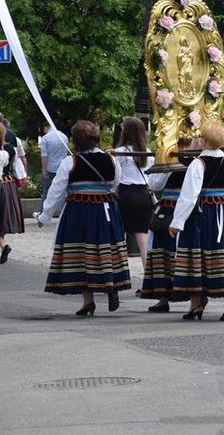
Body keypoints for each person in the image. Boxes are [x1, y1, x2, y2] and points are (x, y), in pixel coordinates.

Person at [37, 120, 129, 315]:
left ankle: (89, 300)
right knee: (104, 248)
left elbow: (56, 190)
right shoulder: (110, 159)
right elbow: (115, 183)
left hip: (79, 211)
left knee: (82, 254)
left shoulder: (70, 161)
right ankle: (109, 285)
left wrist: (45, 215)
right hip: (105, 210)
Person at [169, 121, 224, 321]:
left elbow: (189, 195)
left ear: (203, 140)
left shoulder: (198, 163)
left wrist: (177, 222)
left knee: (197, 253)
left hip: (204, 212)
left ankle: (195, 304)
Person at [140, 137, 192, 313]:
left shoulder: (193, 159)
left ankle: (187, 296)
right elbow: (154, 184)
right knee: (165, 252)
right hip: (174, 209)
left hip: (178, 208)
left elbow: (153, 184)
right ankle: (166, 296)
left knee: (174, 251)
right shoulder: (191, 157)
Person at [111, 117, 156, 271]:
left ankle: (117, 275)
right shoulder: (147, 152)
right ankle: (148, 277)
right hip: (143, 194)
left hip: (125, 194)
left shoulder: (119, 152)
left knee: (117, 236)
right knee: (143, 237)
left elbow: (115, 177)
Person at [0, 121, 26, 263]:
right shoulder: (12, 149)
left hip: (2, 184)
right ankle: (3, 245)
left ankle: (3, 245)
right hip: (8, 184)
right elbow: (18, 168)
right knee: (2, 216)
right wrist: (20, 182)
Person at [39, 122, 69, 203]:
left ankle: (43, 214)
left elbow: (44, 156)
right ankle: (63, 213)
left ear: (46, 128)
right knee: (63, 192)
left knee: (46, 192)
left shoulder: (45, 138)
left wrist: (44, 169)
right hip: (62, 168)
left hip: (50, 168)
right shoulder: (64, 137)